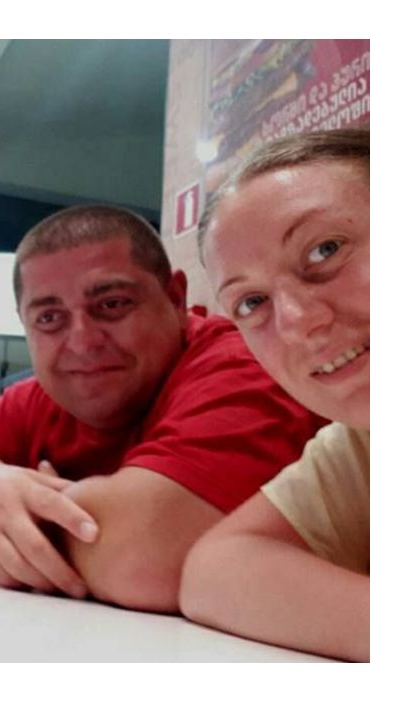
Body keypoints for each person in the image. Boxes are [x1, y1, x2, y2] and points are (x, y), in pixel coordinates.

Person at [0, 204, 327, 612]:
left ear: (175, 298)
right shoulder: (35, 401)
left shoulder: (244, 365)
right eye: (49, 318)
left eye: (112, 304)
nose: (83, 342)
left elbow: (140, 559)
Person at [180, 128, 369, 661]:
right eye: (251, 302)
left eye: (325, 250)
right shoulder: (364, 446)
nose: (296, 322)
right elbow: (214, 570)